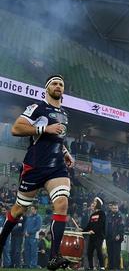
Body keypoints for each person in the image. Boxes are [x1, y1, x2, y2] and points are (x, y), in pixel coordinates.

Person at [0, 74, 75, 270]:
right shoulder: (37, 108)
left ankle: (53, 258)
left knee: (62, 204)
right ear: (47, 88)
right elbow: (16, 129)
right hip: (34, 166)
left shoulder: (65, 114)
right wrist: (45, 128)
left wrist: (66, 152)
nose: (58, 86)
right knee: (18, 210)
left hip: (57, 167)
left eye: (61, 84)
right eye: (55, 83)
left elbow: (59, 137)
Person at [82, 197, 106, 270]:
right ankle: (91, 267)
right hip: (92, 236)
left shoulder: (102, 213)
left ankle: (102, 267)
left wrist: (93, 231)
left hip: (98, 236)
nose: (93, 203)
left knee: (99, 251)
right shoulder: (92, 215)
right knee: (89, 252)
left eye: (95, 202)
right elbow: (89, 225)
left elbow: (100, 225)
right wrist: (82, 230)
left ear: (99, 204)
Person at [106, 202, 124, 270]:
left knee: (116, 253)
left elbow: (121, 227)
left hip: (117, 237)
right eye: (113, 208)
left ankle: (116, 267)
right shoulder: (108, 215)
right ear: (111, 208)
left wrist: (119, 235)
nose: (114, 209)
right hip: (109, 237)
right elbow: (106, 226)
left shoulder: (120, 216)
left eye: (116, 208)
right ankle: (110, 266)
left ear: (118, 208)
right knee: (110, 252)